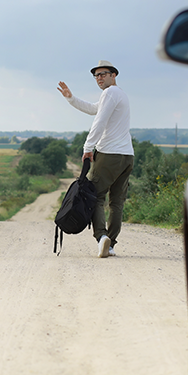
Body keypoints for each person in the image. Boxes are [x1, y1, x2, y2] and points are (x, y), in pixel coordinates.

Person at [57, 60, 134, 258]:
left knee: (96, 196)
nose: (99, 78)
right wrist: (71, 98)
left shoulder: (110, 93)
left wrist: (88, 147)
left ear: (113, 75)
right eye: (96, 75)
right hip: (127, 156)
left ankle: (101, 237)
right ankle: (110, 244)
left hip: (109, 154)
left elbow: (99, 121)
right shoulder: (120, 94)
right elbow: (93, 109)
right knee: (117, 202)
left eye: (103, 74)